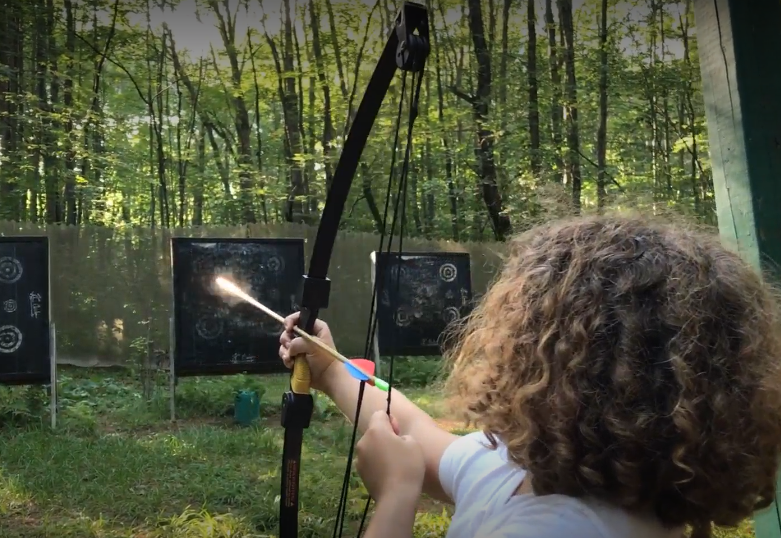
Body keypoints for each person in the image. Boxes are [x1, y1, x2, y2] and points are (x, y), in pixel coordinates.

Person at [278, 215, 781, 538]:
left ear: (543, 360)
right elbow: (412, 432)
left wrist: (395, 497)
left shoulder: (560, 529)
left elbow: (409, 462)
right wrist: (329, 367)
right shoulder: (527, 475)